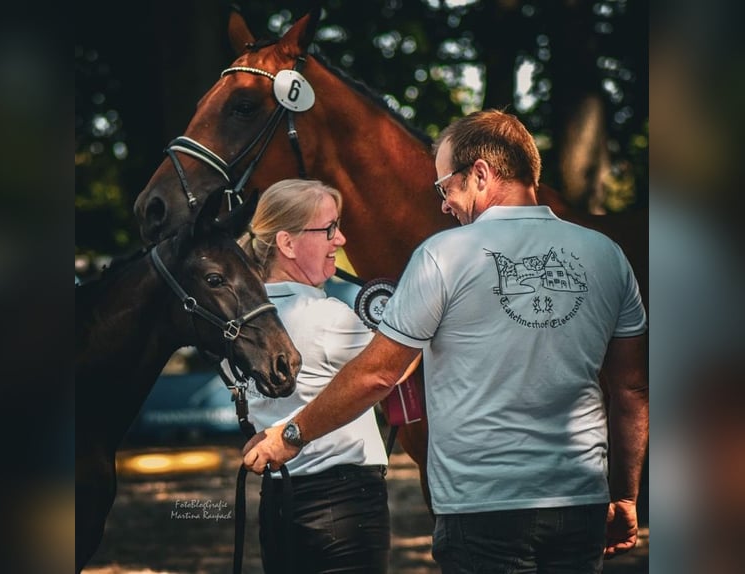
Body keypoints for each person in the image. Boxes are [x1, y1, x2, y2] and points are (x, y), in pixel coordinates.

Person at [242, 110, 649, 573]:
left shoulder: (443, 255)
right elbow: (632, 391)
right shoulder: (606, 256)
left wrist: (292, 434)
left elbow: (379, 373)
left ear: (480, 174)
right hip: (580, 501)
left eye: (445, 187)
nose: (443, 205)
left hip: (481, 507)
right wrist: (625, 494)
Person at [233, 179, 391, 574]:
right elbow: (393, 367)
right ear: (287, 244)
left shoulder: (236, 326)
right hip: (344, 503)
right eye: (329, 229)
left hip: (277, 503)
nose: (340, 239)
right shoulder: (326, 317)